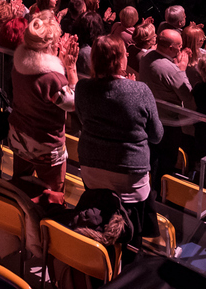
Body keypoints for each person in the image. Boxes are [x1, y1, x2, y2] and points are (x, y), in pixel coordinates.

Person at [73, 35, 162, 252]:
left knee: (101, 219)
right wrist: (131, 92)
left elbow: (83, 120)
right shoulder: (140, 90)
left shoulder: (83, 88)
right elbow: (156, 135)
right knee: (131, 240)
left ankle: (99, 260)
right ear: (120, 60)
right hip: (131, 179)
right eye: (125, 54)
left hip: (92, 173)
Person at [7, 12, 78, 193]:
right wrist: (70, 70)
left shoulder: (19, 64)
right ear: (48, 46)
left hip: (19, 139)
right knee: (53, 195)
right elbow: (72, 104)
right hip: (44, 148)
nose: (57, 46)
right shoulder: (52, 78)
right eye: (55, 43)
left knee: (20, 189)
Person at [139, 28, 195, 187]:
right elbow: (189, 97)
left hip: (149, 117)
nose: (181, 49)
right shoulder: (171, 70)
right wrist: (182, 70)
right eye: (179, 46)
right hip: (169, 124)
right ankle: (160, 192)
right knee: (165, 161)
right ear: (171, 48)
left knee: (152, 156)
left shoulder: (146, 56)